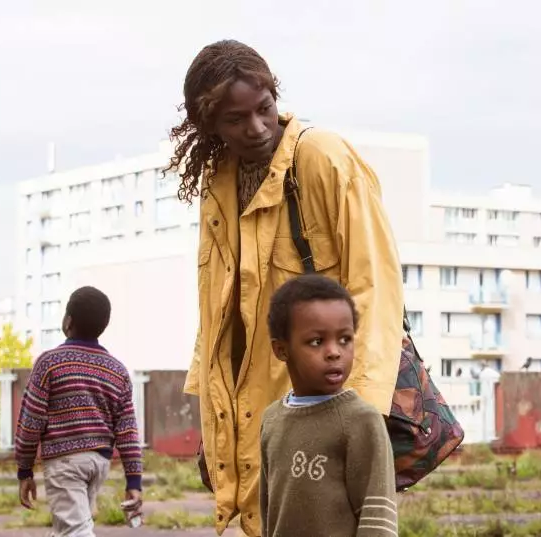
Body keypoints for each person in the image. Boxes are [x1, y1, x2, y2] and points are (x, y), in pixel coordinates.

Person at [169, 40, 404, 536]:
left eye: (264, 108)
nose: (257, 128)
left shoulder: (323, 158)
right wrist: (214, 429)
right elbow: (214, 315)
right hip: (260, 417)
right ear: (209, 126)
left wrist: (360, 413)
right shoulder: (217, 184)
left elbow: (375, 286)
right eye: (236, 119)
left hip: (326, 405)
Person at [260, 274, 397, 537]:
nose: (334, 352)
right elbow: (268, 513)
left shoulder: (361, 420)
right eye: (316, 341)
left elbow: (378, 517)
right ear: (281, 350)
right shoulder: (272, 419)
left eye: (345, 339)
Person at [15, 286, 143, 536]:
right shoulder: (117, 371)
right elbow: (127, 432)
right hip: (99, 463)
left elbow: (31, 422)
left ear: (68, 321)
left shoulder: (49, 363)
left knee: (74, 531)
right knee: (71, 527)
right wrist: (134, 481)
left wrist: (25, 469)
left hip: (65, 462)